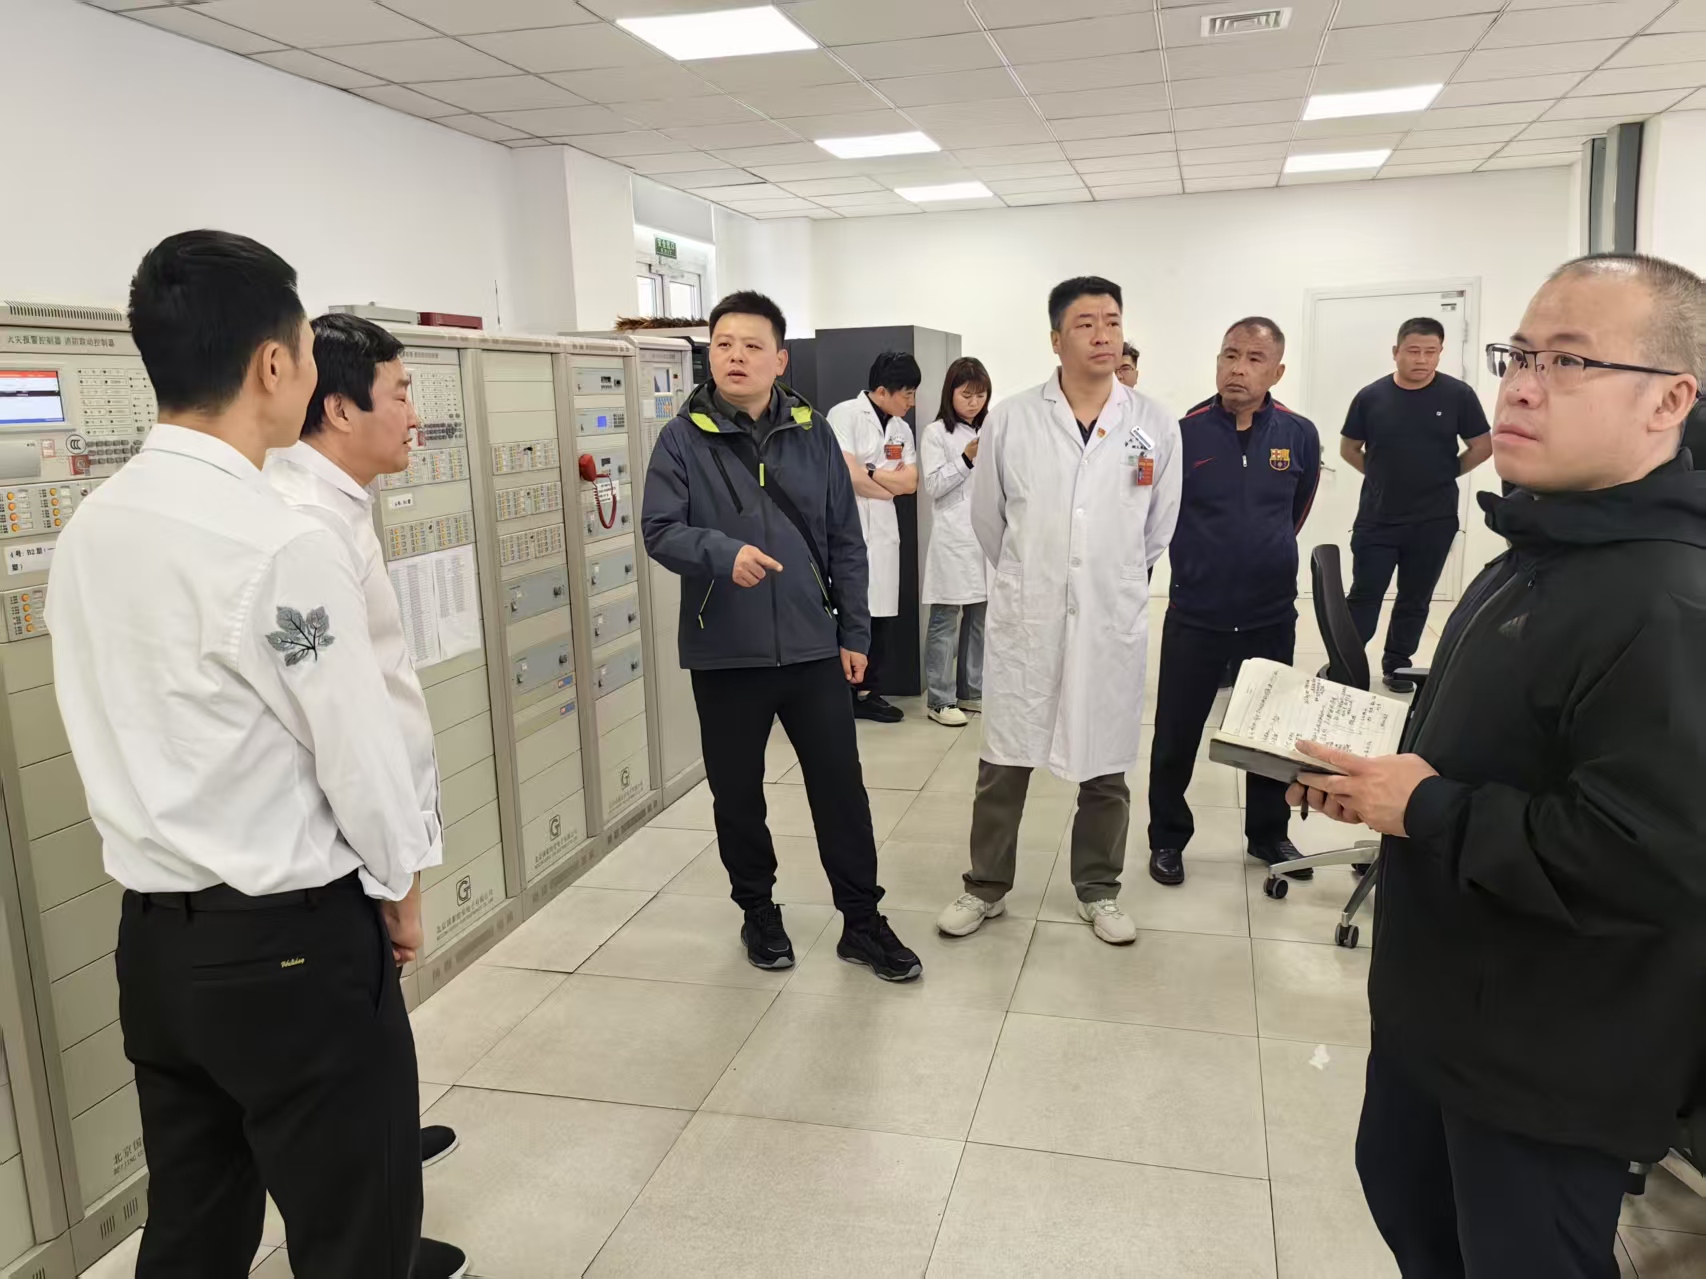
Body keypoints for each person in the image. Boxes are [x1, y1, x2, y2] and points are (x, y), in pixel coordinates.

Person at [1290, 253, 1706, 1278]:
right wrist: (1380, 780)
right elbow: (1493, 747)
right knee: (1411, 1209)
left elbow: (1648, 856)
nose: (1521, 386)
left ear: (1669, 401)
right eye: (1518, 355)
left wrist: (1426, 808)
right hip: (1443, 1015)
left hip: (1542, 1058)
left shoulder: (1665, 601)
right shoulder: (1539, 545)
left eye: (1569, 361)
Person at [47, 232, 452, 1278]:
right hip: (291, 949)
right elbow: (358, 752)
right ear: (274, 364)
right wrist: (400, 885)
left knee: (194, 1224)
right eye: (308, 349)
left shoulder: (91, 527)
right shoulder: (277, 539)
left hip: (155, 948)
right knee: (355, 1232)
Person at [641, 291, 921, 982]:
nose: (735, 356)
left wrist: (855, 632)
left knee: (841, 790)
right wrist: (720, 553)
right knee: (738, 795)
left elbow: (845, 539)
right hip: (725, 652)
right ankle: (758, 911)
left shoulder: (813, 433)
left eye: (751, 345)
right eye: (723, 344)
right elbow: (659, 529)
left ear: (780, 359)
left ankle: (862, 920)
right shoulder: (681, 438)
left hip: (812, 648)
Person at [264, 315, 465, 1188]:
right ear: (341, 409)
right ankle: (379, 1209)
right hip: (342, 854)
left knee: (372, 1051)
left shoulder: (338, 504)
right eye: (402, 393)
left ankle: (385, 1151)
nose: (416, 415)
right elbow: (349, 726)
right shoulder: (308, 526)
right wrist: (399, 878)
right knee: (353, 1050)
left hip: (358, 843)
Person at [936, 277, 1180, 945]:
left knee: (1106, 761)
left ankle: (1099, 888)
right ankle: (985, 886)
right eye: (1085, 324)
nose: (1104, 335)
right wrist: (1032, 579)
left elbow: (1157, 526)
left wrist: (1109, 580)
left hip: (1108, 617)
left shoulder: (1153, 423)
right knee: (1005, 757)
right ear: (1055, 339)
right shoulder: (1013, 418)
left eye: (1112, 322)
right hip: (1029, 614)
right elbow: (989, 519)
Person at [1147, 318, 1321, 888]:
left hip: (1270, 613)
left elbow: (1296, 510)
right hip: (1197, 612)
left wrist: (1261, 553)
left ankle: (1268, 833)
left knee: (1268, 732)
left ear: (1277, 371)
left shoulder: (1299, 434)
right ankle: (1167, 837)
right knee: (1177, 731)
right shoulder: (1183, 433)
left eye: (1253, 358)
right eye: (1229, 355)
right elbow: (1163, 513)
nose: (1237, 369)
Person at [1341, 317, 1493, 693]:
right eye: (1413, 351)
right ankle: (1346, 663)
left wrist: (1445, 473)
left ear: (1440, 353)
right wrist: (1380, 476)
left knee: (1415, 598)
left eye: (1431, 352)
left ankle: (1397, 665)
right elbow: (1349, 448)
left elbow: (1482, 446)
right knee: (1364, 595)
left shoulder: (1458, 395)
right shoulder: (1371, 397)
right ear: (1396, 352)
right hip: (1378, 518)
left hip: (1433, 519)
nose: (1422, 359)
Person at [827, 352, 921, 723]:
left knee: (881, 615)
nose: (911, 402)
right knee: (851, 609)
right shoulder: (845, 414)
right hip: (849, 527)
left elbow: (910, 483)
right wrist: (884, 481)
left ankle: (868, 692)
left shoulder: (901, 429)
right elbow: (848, 475)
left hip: (883, 531)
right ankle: (842, 692)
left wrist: (872, 473)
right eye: (907, 393)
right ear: (882, 391)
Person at [919, 357, 992, 728]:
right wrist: (966, 458)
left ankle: (971, 691)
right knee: (945, 619)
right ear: (950, 394)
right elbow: (933, 485)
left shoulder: (991, 429)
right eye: (966, 395)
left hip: (984, 538)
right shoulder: (936, 433)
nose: (974, 403)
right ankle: (940, 698)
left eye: (980, 395)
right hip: (952, 538)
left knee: (979, 618)